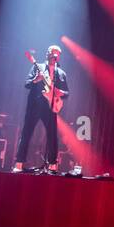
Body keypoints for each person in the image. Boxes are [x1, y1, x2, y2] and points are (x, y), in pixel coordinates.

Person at [14, 44, 68, 172]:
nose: (55, 56)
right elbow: (27, 84)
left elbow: (67, 93)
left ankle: (52, 165)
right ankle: (19, 163)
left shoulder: (61, 73)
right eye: (52, 53)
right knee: (26, 133)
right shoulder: (37, 66)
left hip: (50, 107)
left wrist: (60, 92)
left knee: (52, 136)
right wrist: (36, 80)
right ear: (47, 54)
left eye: (57, 54)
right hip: (34, 105)